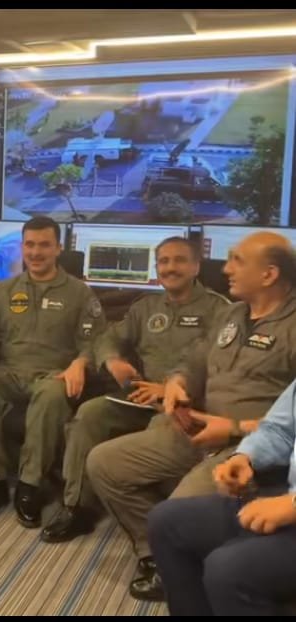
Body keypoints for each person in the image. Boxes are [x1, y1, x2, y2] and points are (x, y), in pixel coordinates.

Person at [87, 231, 296, 601]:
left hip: (247, 449)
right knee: (104, 463)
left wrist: (234, 429)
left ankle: (198, 566)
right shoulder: (231, 314)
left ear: (269, 274)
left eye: (237, 260)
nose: (226, 269)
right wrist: (177, 383)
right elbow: (195, 361)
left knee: (178, 512)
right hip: (197, 429)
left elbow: (287, 426)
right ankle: (156, 556)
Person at [41, 237, 229, 543]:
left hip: (187, 403)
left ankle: (158, 523)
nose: (170, 268)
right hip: (141, 396)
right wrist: (113, 360)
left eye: (179, 260)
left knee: (161, 427)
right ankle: (78, 507)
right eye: (164, 261)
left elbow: (222, 365)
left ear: (196, 267)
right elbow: (107, 338)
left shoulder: (221, 310)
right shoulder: (146, 307)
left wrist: (169, 388)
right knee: (90, 413)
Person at [0, 216, 106, 528]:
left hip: (53, 374)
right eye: (30, 245)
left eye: (44, 245)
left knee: (51, 394)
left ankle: (30, 485)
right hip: (10, 370)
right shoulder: (3, 290)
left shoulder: (79, 293)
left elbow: (95, 341)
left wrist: (80, 363)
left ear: (58, 248)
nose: (36, 252)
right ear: (22, 247)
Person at [148, 378, 296, 616]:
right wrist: (245, 457)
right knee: (166, 521)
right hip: (286, 493)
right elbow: (280, 430)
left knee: (228, 569)